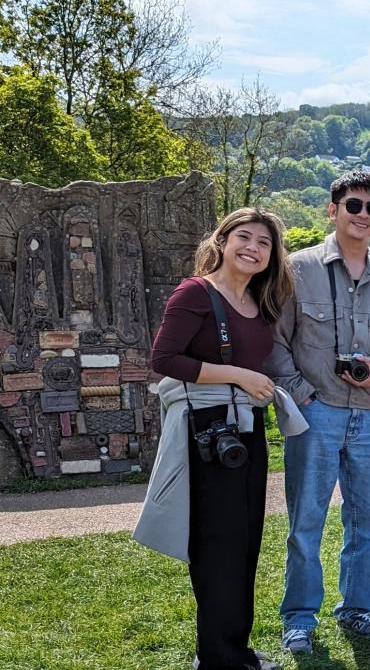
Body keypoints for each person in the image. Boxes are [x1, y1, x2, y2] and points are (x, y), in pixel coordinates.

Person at [267, 171, 370, 653]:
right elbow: (274, 342)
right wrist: (301, 395)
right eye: (354, 205)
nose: (363, 215)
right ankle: (300, 617)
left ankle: (358, 609)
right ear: (332, 210)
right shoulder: (297, 269)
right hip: (318, 414)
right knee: (306, 521)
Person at [140, 207, 298, 670]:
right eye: (244, 237)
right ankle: (217, 657)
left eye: (264, 243)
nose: (253, 248)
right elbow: (164, 358)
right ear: (223, 241)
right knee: (217, 546)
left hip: (245, 430)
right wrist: (238, 375)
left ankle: (234, 649)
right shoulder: (195, 293)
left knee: (245, 541)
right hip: (207, 431)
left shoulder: (258, 302)